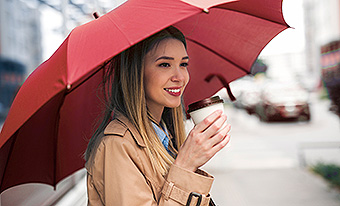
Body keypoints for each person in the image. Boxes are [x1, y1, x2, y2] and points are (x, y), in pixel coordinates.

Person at [84, 26, 231, 206]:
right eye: (164, 64)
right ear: (136, 73)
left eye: (183, 64)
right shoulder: (117, 146)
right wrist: (185, 165)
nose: (180, 77)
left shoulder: (163, 136)